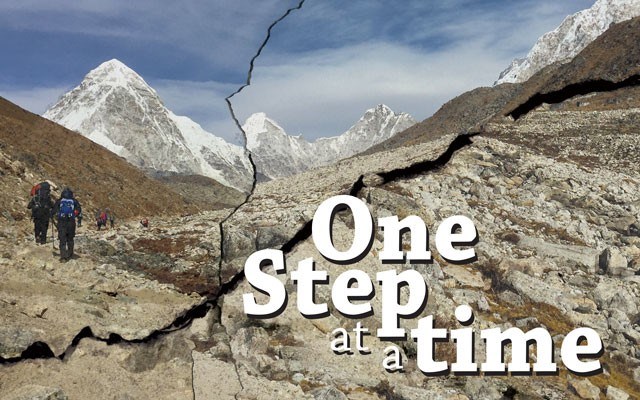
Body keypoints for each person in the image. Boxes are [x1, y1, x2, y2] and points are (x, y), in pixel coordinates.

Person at [51, 188, 82, 262]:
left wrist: (51, 215)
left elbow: (54, 210)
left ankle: (63, 257)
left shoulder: (59, 201)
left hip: (61, 222)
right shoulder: (74, 201)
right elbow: (79, 210)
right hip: (71, 222)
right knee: (70, 239)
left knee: (62, 239)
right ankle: (70, 254)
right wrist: (75, 216)